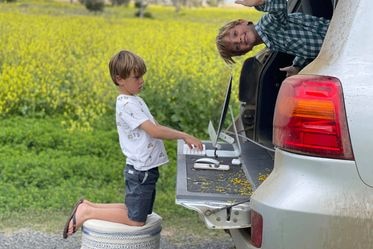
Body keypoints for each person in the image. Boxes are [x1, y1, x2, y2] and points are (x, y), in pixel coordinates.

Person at [62, 50, 203, 239]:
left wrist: (182, 136)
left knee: (137, 211)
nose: (141, 81)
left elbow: (155, 127)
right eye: (137, 77)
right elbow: (154, 131)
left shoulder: (134, 100)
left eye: (142, 76)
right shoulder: (127, 104)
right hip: (141, 170)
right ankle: (87, 212)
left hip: (143, 168)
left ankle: (88, 206)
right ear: (120, 79)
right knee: (135, 219)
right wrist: (184, 136)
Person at [216, 0, 330, 77]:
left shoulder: (266, 26)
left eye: (235, 34)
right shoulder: (270, 42)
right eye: (237, 47)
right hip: (331, 45)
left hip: (331, 37)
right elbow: (301, 45)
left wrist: (260, 2)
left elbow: (279, 6)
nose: (239, 40)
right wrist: (297, 65)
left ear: (242, 22)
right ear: (245, 51)